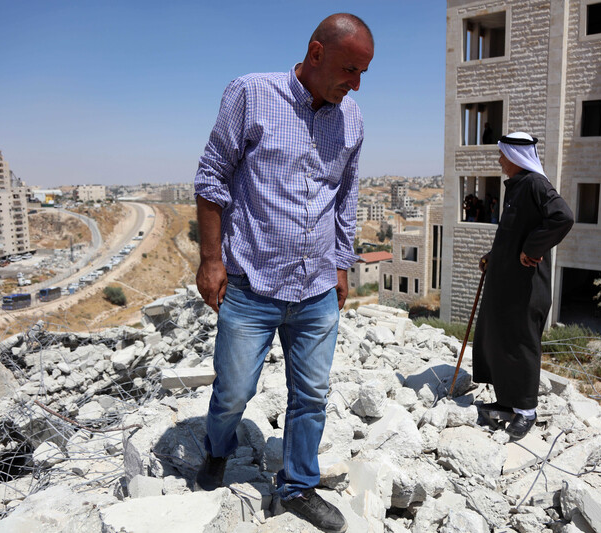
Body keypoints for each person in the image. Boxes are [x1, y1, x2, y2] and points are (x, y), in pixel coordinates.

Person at [192, 13, 373, 532]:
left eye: (363, 73)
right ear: (315, 53)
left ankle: (297, 485)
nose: (355, 83)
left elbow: (346, 198)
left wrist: (341, 265)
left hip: (316, 288)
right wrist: (211, 259)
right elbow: (211, 177)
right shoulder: (251, 94)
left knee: (312, 394)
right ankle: (218, 450)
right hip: (251, 285)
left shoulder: (352, 119)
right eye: (348, 68)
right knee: (233, 392)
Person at [472, 132, 574, 440]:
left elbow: (563, 218)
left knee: (523, 344)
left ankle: (526, 411)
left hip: (527, 287)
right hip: (507, 284)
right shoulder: (517, 188)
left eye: (503, 155)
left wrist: (533, 248)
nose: (500, 160)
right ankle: (506, 402)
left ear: (516, 158)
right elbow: (513, 232)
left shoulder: (535, 184)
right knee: (501, 339)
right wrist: (495, 255)